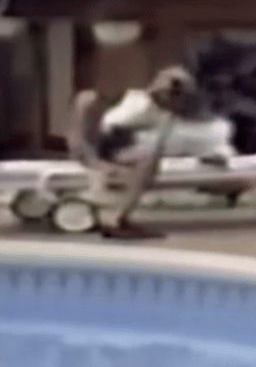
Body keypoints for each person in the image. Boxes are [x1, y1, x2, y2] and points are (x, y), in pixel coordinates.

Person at [69, 65, 211, 240]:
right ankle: (116, 219)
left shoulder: (162, 111)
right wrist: (97, 163)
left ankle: (119, 216)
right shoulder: (131, 102)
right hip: (103, 148)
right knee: (147, 158)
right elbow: (92, 136)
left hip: (118, 146)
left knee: (150, 159)